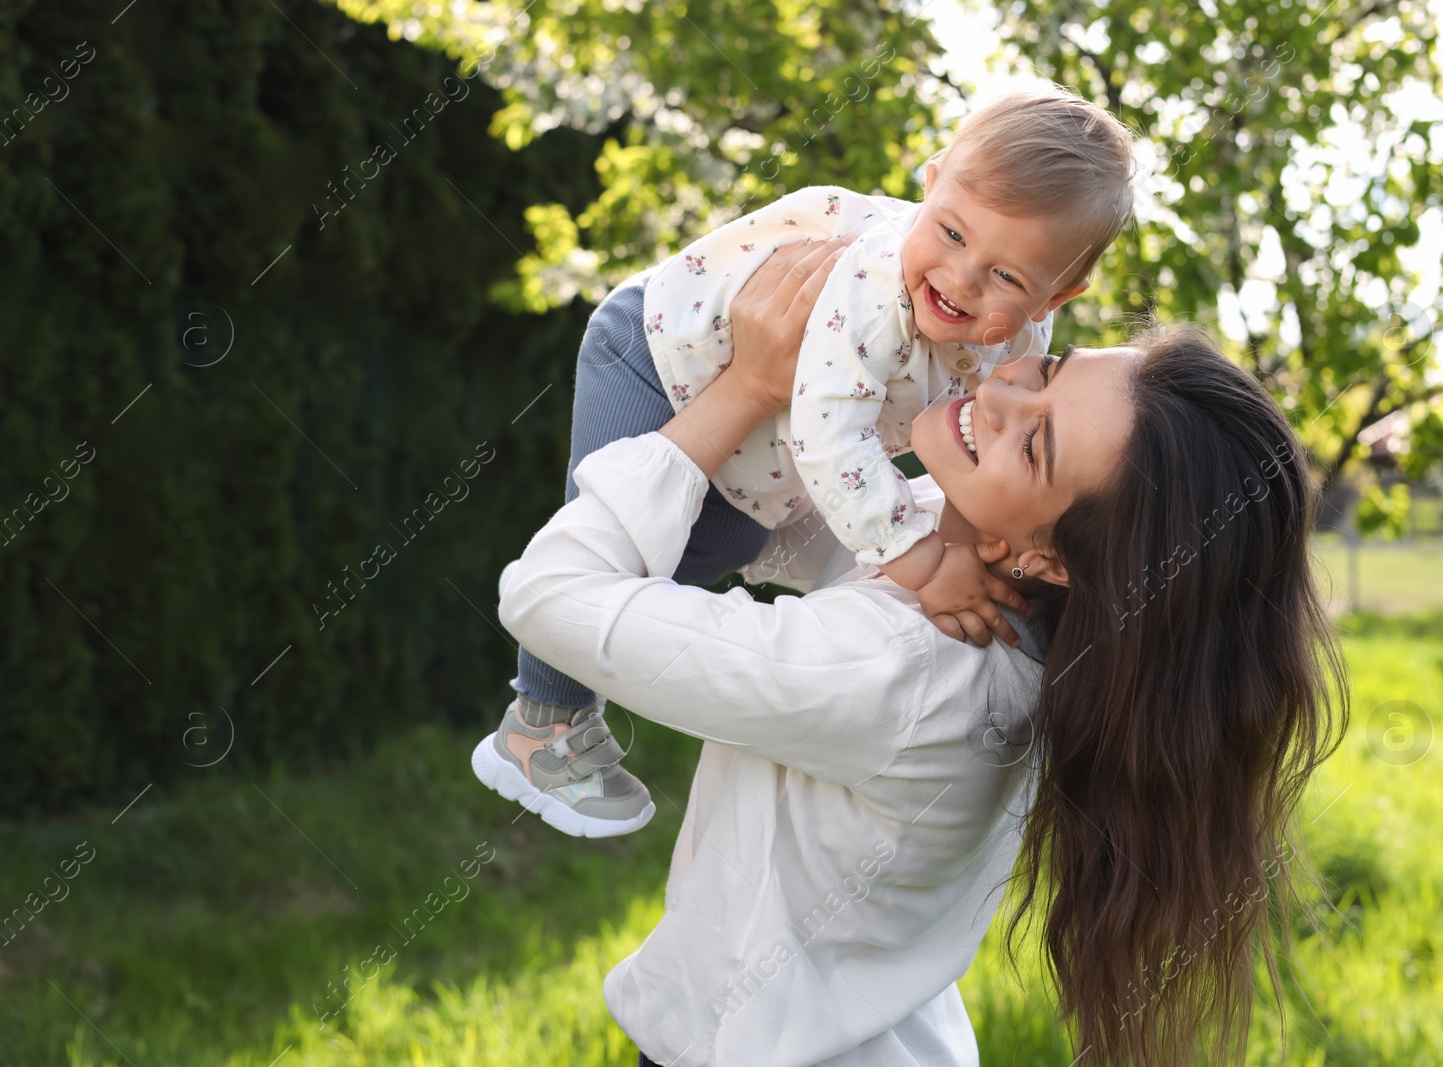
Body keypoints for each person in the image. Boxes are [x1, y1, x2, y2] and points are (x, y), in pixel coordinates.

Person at [491, 241, 1350, 1066]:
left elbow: (547, 598)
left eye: (1035, 443)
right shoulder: (983, 569)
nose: (1003, 394)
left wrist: (746, 387)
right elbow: (783, 536)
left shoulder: (903, 667)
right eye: (1049, 370)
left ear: (1051, 559)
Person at [491, 87, 1137, 836]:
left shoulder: (1022, 341)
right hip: (657, 355)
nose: (962, 280)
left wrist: (973, 546)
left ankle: (555, 708)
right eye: (952, 232)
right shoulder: (870, 287)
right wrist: (925, 560)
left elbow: (975, 444)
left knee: (714, 546)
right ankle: (544, 721)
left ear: (1062, 290)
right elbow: (833, 440)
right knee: (617, 545)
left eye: (1009, 277)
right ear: (928, 183)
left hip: (760, 438)